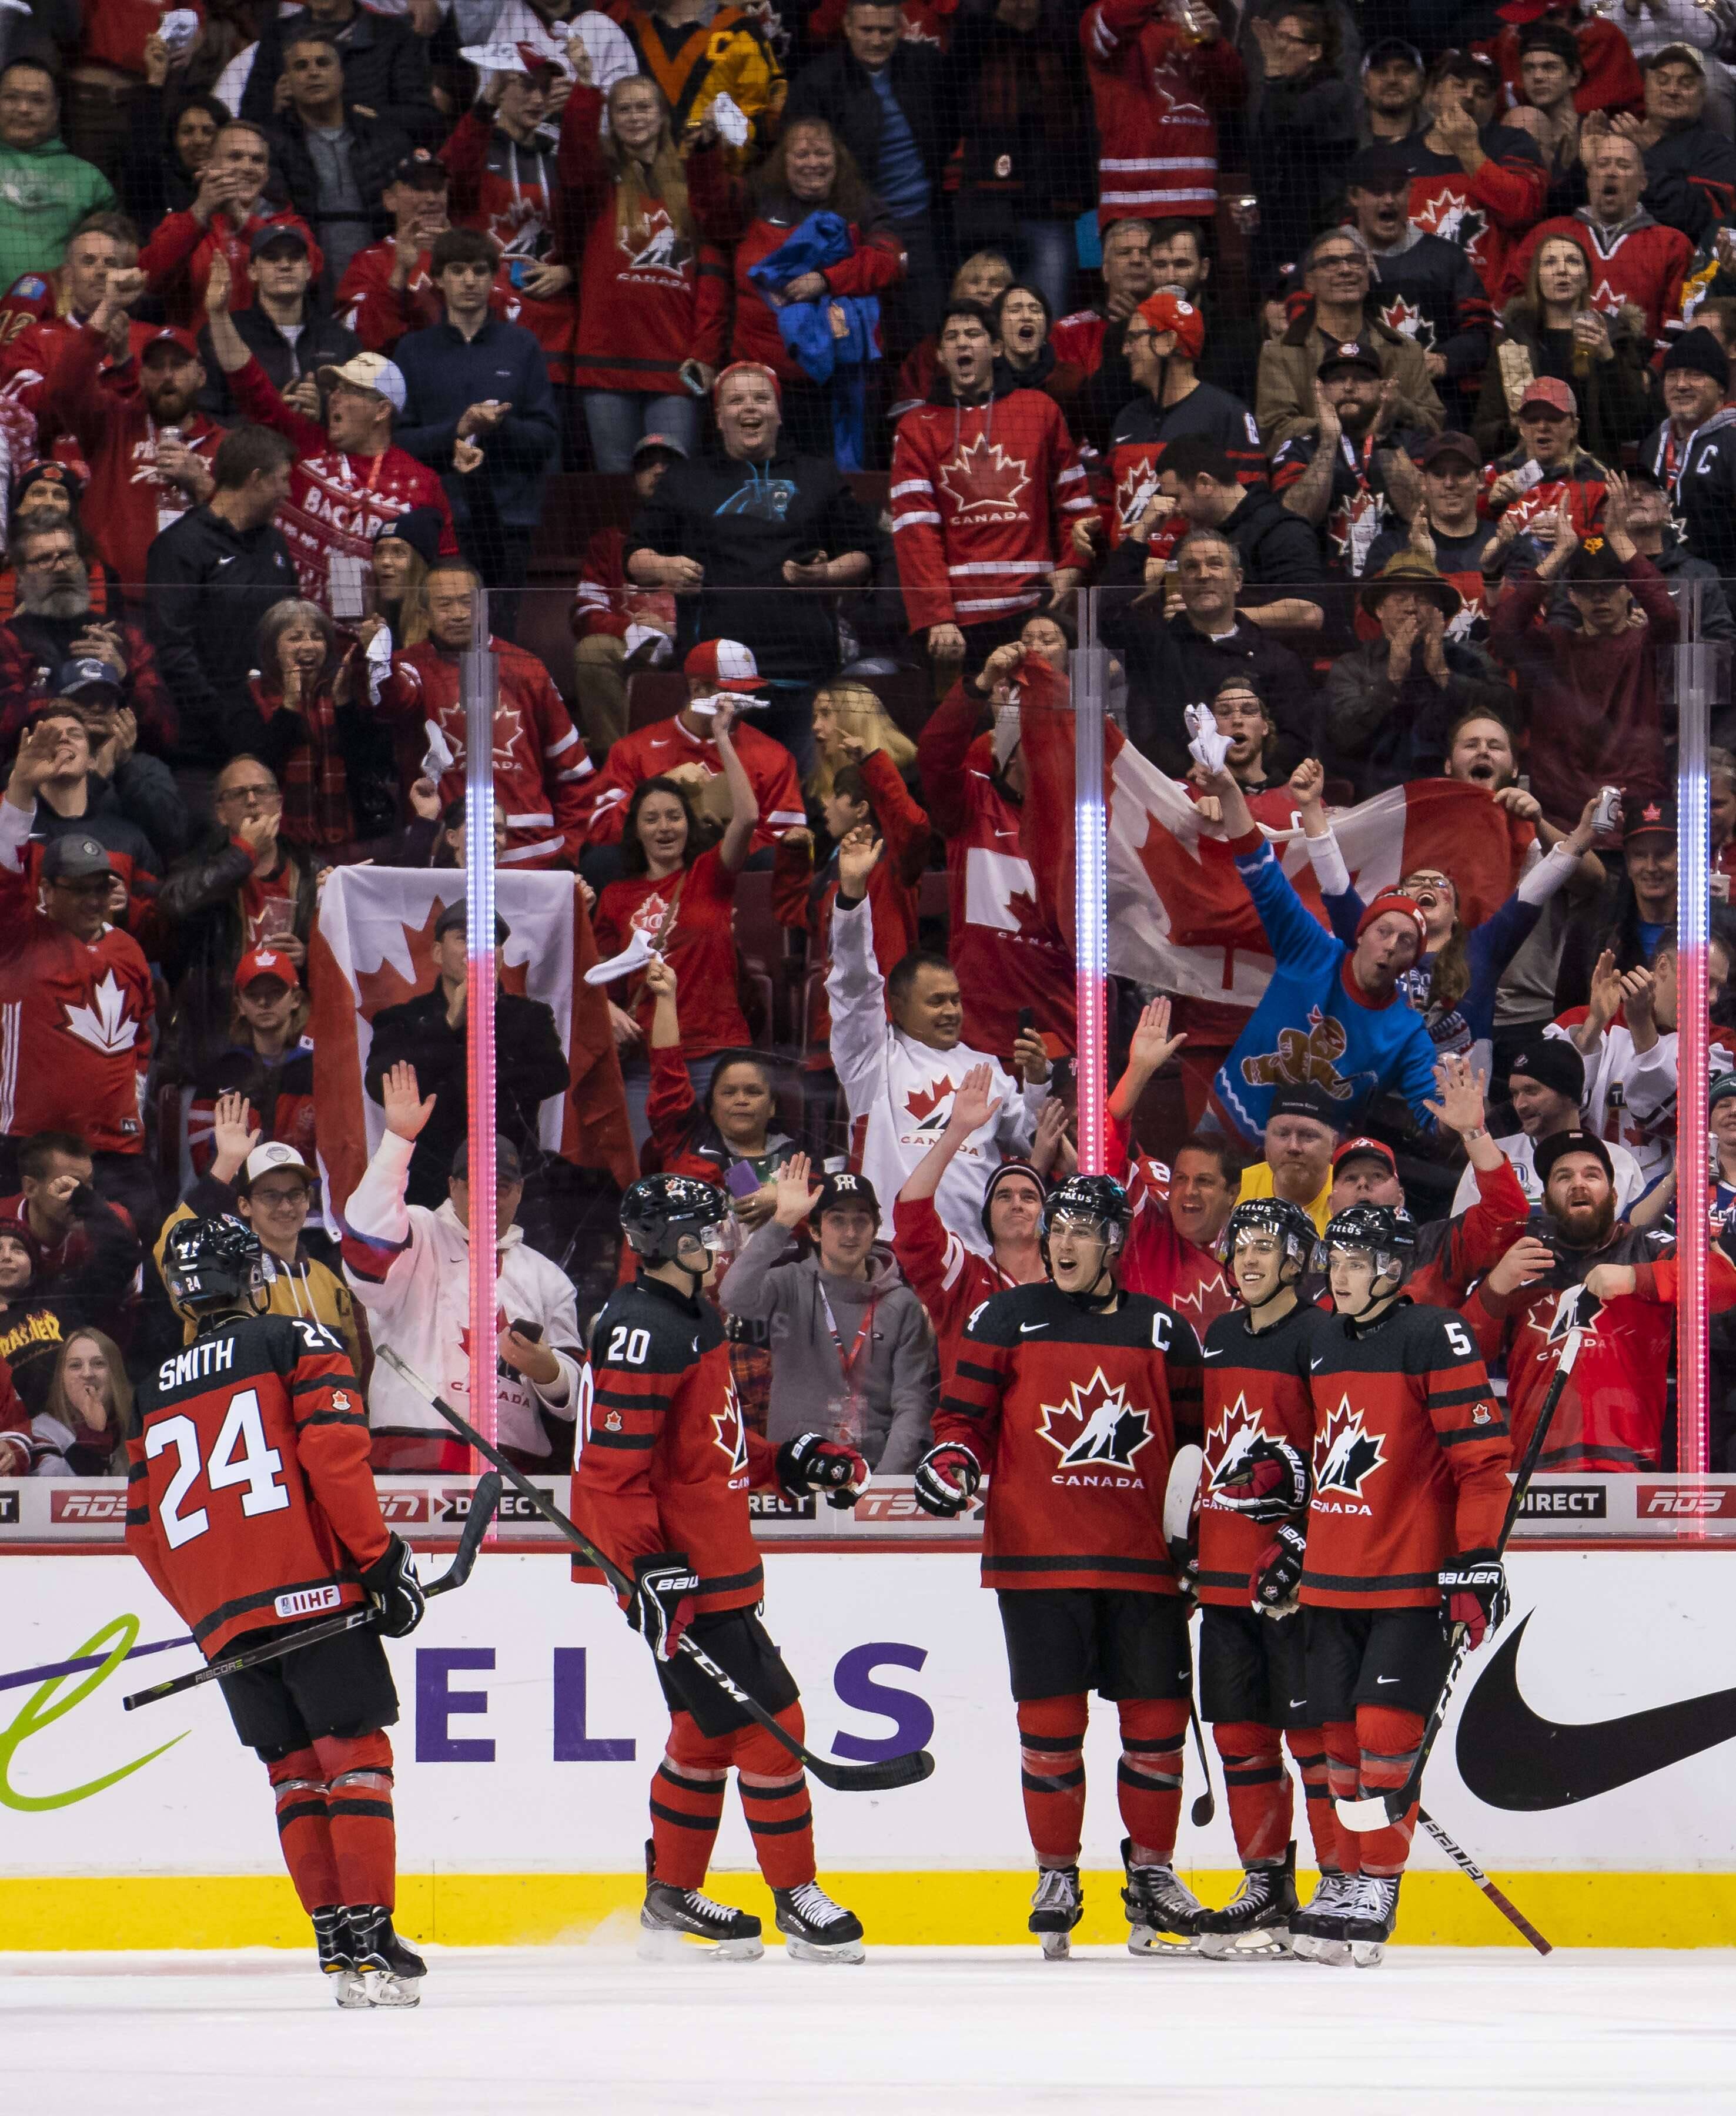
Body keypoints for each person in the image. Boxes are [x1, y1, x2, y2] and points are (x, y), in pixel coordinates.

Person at [128, 1213, 427, 2007]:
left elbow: (141, 1527)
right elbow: (333, 1455)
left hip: (225, 1616)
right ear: (248, 1276)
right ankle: (370, 1937)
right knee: (354, 1760)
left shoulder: (152, 1386)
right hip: (313, 1591)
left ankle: (335, 1943)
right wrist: (378, 1559)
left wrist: (205, 1613)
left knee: (293, 1776)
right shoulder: (294, 1339)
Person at [570, 1172, 868, 1964]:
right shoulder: (641, 1327)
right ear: (673, 1242)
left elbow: (708, 1452)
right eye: (708, 1229)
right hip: (684, 1577)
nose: (724, 1241)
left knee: (703, 1737)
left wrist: (790, 1461)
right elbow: (609, 1476)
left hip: (713, 1565)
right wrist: (647, 1575)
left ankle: (671, 1898)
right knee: (776, 1730)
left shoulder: (689, 1314)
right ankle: (796, 1899)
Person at [914, 1172, 1207, 1957]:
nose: (1063, 1242)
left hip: (1143, 1567)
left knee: (1155, 1730)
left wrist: (1197, 1539)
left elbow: (1193, 1446)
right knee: (1050, 1731)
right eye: (1057, 1228)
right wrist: (949, 1463)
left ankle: (1150, 1873)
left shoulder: (1165, 1330)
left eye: (1082, 1229)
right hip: (1036, 1559)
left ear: (1115, 1241)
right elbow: (961, 1423)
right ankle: (1056, 1873)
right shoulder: (1004, 1318)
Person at [1265, 1201, 1510, 1968]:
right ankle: (1340, 1877)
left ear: (1394, 1269)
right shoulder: (1321, 1341)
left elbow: (1483, 1462)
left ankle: (1378, 1878)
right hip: (1331, 1580)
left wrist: (1475, 1558)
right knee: (1335, 1742)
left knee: (1381, 1736)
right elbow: (1322, 1457)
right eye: (1333, 1260)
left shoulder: (1431, 1335)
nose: (1338, 1274)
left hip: (1408, 1579)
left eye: (1355, 1261)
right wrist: (1297, 1537)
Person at [1188, 1196, 1332, 1959]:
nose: (1246, 1258)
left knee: (1311, 1740)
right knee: (1242, 1737)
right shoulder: (1216, 1335)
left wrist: (1300, 1541)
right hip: (1224, 1579)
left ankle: (1336, 1885)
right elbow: (1212, 1454)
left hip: (1295, 1581)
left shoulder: (1320, 1336)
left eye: (1264, 1246)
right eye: (1239, 1245)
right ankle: (1263, 1887)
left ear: (1296, 1260)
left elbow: (1340, 1457)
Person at [342, 1060, 585, 1473]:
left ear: (520, 1192)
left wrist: (548, 1372)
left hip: (514, 1466)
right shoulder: (417, 1231)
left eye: (502, 1186)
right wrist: (398, 1142)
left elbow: (574, 1400)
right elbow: (364, 1248)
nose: (489, 1195)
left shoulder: (549, 1278)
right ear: (453, 1185)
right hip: (410, 1453)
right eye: (475, 1183)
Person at [623, 362, 876, 756]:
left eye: (761, 398)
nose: (749, 408)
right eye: (735, 400)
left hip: (804, 678)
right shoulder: (685, 480)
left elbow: (864, 555)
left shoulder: (817, 474)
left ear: (778, 412)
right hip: (715, 683)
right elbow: (635, 559)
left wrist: (823, 573)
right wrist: (666, 567)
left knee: (804, 806)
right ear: (719, 417)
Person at [1197, 764, 1441, 1149]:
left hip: (1307, 1165)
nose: (1392, 944)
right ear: (1359, 935)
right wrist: (1229, 792)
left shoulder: (1407, 1032)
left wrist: (1460, 1121)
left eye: (1406, 942)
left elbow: (1434, 1114)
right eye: (1383, 931)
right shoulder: (1311, 950)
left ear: (1410, 963)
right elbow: (1263, 876)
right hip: (1227, 1131)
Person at [827, 826, 1046, 1254]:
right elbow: (854, 986)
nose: (951, 1012)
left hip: (977, 1252)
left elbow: (1031, 1141)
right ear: (898, 1006)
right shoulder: (872, 1059)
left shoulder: (986, 1068)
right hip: (895, 1248)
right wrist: (852, 898)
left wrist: (1036, 1082)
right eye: (935, 1002)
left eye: (955, 1000)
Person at [200, 253, 459, 611]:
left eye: (349, 391)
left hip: (372, 638)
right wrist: (218, 316)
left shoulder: (422, 483)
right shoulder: (304, 444)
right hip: (291, 630)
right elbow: (252, 387)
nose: (334, 397)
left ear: (382, 410)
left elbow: (444, 570)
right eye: (334, 389)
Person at [0, 722, 156, 1233]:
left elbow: (143, 1034)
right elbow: (6, 867)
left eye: (101, 888)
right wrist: (21, 789)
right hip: (31, 1146)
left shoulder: (127, 948)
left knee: (128, 1256)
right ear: (46, 891)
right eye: (79, 890)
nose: (93, 900)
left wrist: (135, 1094)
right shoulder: (21, 935)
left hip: (116, 1149)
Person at [689, 112, 905, 461]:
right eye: (802, 155)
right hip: (758, 385)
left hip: (835, 386)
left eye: (822, 155)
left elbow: (889, 262)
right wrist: (705, 154)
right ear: (783, 161)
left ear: (839, 160)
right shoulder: (755, 199)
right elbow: (712, 208)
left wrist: (825, 280)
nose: (812, 164)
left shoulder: (862, 207)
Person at [891, 300, 1091, 669]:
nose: (962, 344)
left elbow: (1074, 500)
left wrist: (1072, 566)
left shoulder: (1039, 409)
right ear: (939, 354)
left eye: (973, 334)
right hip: (960, 625)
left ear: (997, 347)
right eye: (952, 337)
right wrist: (938, 616)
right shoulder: (918, 426)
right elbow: (915, 529)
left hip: (1035, 609)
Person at [591, 697, 760, 1137]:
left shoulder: (711, 875)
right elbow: (593, 980)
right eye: (651, 819)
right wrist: (607, 1009)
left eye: (673, 816)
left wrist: (721, 736)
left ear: (689, 823)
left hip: (717, 1058)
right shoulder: (615, 897)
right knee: (647, 1179)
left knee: (726, 1179)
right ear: (636, 830)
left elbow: (748, 817)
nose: (664, 827)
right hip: (645, 1063)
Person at [1464, 1131, 1681, 1469]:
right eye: (1563, 1177)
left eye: (1591, 1175)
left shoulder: (1645, 1246)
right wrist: (1495, 1288)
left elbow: (1720, 1281)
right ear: (1546, 1200)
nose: (1578, 1184)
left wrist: (1636, 1278)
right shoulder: (1520, 1257)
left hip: (1630, 1467)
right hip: (1534, 1472)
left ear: (1613, 1196)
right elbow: (1463, 1355)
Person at [914, 631, 1078, 1059]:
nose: (1055, 754)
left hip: (1062, 1036)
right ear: (1009, 751)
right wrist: (979, 686)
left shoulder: (1084, 820)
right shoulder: (972, 805)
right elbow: (934, 754)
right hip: (979, 1039)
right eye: (1040, 741)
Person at [370, 558, 594, 868]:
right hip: (448, 857)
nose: (459, 614)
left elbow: (574, 773)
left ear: (484, 608)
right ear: (424, 614)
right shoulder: (411, 666)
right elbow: (392, 698)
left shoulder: (527, 669)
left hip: (533, 857)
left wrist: (569, 850)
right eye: (445, 605)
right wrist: (375, 660)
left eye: (467, 602)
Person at [556, 72, 727, 470]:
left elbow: (713, 285)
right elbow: (574, 159)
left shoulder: (693, 186)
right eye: (624, 109)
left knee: (672, 486)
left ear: (663, 116)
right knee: (615, 487)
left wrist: (705, 353)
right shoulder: (599, 184)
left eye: (644, 107)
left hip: (676, 368)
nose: (635, 117)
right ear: (611, 119)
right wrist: (585, 89)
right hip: (604, 367)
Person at [720, 1157, 935, 1471]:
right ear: (817, 1233)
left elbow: (912, 1404)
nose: (850, 1232)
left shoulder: (902, 1305)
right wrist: (782, 1222)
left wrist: (884, 1483)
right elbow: (733, 1296)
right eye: (837, 1220)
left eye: (861, 1221)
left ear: (875, 1229)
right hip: (796, 1470)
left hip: (871, 1472)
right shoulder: (788, 1283)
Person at [393, 225, 558, 618]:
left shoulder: (522, 346)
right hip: (435, 519)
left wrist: (498, 426)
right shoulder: (413, 350)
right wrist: (458, 429)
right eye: (457, 270)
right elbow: (397, 443)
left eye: (480, 270)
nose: (470, 280)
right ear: (438, 279)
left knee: (498, 635)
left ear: (493, 277)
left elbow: (546, 438)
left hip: (508, 521)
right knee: (433, 633)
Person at [363, 899, 570, 1208]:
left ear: (501, 956)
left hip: (511, 1181)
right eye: (464, 939)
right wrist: (449, 1025)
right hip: (428, 1184)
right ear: (436, 952)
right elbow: (381, 1086)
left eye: (490, 941)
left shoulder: (531, 1016)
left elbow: (554, 1076)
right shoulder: (400, 1020)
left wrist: (486, 1023)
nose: (478, 950)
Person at [1489, 493, 1677, 825]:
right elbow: (1504, 629)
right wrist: (1560, 553)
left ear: (1628, 590)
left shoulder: (1645, 645)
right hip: (1564, 816)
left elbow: (1667, 614)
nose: (1600, 597)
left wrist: (1618, 537)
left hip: (1635, 813)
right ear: (1572, 596)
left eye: (1609, 586)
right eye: (1588, 589)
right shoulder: (1552, 646)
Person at [784, 0, 953, 353]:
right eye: (867, 30)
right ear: (847, 27)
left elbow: (949, 135)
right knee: (862, 338)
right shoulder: (817, 81)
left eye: (886, 31)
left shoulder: (928, 67)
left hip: (923, 224)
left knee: (927, 337)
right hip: (853, 231)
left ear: (901, 28)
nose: (877, 40)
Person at [44, 284, 226, 597]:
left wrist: (202, 484)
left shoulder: (227, 445)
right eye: (156, 366)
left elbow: (246, 530)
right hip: (116, 606)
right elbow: (63, 388)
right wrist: (108, 305)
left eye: (179, 365)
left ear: (202, 375)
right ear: (140, 377)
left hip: (198, 610)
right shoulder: (113, 424)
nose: (167, 376)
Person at [156, 1094, 362, 1367]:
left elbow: (354, 1368)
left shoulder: (330, 1282)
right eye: (271, 1196)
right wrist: (226, 1165)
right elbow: (171, 1248)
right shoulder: (226, 1272)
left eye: (295, 1194)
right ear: (244, 1205)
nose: (286, 1207)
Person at [1098, 524, 1315, 778]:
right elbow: (1108, 613)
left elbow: (1295, 739)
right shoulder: (1154, 646)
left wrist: (1244, 777)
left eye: (1215, 564)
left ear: (1237, 580)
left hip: (1255, 799)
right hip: (1176, 793)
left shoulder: (1276, 658)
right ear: (1180, 582)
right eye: (1191, 567)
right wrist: (1139, 536)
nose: (1203, 575)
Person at [143, 423, 300, 776]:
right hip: (204, 747)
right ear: (256, 479)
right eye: (282, 479)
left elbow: (293, 622)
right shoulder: (180, 547)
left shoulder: (274, 544)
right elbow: (172, 650)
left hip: (273, 728)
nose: (288, 492)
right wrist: (224, 721)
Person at [156, 755, 322, 1082]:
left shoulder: (311, 871)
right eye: (238, 794)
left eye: (261, 791)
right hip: (220, 1039)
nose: (251, 800)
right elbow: (172, 905)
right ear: (220, 813)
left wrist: (308, 956)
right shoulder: (200, 866)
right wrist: (243, 853)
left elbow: (341, 964)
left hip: (293, 1038)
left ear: (279, 803)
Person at [580, 638, 805, 858]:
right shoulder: (632, 750)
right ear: (697, 688)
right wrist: (662, 789)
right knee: (602, 860)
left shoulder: (775, 757)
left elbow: (786, 840)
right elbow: (601, 828)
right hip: (654, 873)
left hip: (731, 875)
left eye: (746, 692)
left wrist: (730, 836)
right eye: (732, 692)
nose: (741, 703)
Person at [439, 46, 579, 402]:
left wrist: (570, 271)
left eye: (545, 89)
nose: (537, 98)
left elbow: (593, 225)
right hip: (487, 317)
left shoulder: (561, 154)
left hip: (555, 324)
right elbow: (450, 176)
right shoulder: (476, 142)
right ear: (501, 87)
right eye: (527, 86)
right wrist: (485, 104)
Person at [893, 1060, 1049, 1375]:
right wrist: (957, 1131)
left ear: (1046, 1218)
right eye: (1004, 1196)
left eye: (1029, 1197)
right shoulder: (964, 1277)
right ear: (987, 1217)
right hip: (974, 1424)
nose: (1017, 1203)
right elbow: (912, 1217)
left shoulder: (1070, 1284)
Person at [1320, 554, 1514, 798]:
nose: (1411, 607)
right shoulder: (1353, 666)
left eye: (1422, 599)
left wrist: (1442, 673)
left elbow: (1508, 712)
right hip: (1380, 798)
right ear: (1380, 610)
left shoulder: (1471, 655)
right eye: (1400, 599)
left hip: (1463, 794)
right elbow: (1343, 736)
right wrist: (1391, 680)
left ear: (1438, 611)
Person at [946, 0, 1086, 323]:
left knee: (1044, 320)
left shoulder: (1066, 31)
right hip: (986, 203)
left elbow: (1082, 109)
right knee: (982, 321)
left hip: (1052, 199)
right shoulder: (972, 31)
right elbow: (949, 104)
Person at [1091, 290, 1262, 551]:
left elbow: (1250, 512)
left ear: (1167, 341)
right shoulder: (1127, 418)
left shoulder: (1227, 414)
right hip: (1126, 576)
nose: (1126, 350)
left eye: (1134, 338)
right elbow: (1108, 503)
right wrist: (1091, 526)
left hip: (1192, 578)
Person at [1473, 233, 1657, 468]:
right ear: (1536, 278)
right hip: (1530, 480)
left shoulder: (1614, 337)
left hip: (1595, 479)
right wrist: (1518, 427)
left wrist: (1608, 359)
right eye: (1550, 263)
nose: (1562, 271)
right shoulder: (1513, 341)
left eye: (1573, 261)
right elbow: (1483, 433)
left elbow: (1635, 425)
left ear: (1586, 278)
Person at [1255, 230, 1444, 453]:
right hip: (1314, 476)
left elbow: (1434, 426)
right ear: (1310, 282)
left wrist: (1399, 407)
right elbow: (1274, 431)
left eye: (1355, 261)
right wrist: (1346, 426)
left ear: (1367, 276)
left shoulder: (1406, 350)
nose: (1345, 270)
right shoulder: (1280, 353)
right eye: (1330, 263)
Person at [261, 26, 414, 300]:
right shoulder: (271, 145)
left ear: (341, 75)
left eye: (323, 63)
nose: (313, 72)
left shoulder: (386, 138)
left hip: (381, 276)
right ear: (288, 82)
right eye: (301, 66)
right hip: (305, 282)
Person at [1270, 341, 1436, 586]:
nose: (1348, 387)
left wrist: (1383, 436)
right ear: (1321, 390)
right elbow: (1296, 520)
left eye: (1362, 378)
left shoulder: (1413, 441)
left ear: (1383, 388)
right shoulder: (1299, 447)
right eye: (1337, 379)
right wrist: (1328, 441)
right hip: (1323, 586)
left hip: (1398, 584)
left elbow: (1420, 512)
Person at [1343, 143, 1494, 410]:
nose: (1389, 200)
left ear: (1411, 191)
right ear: (1354, 196)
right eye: (1377, 190)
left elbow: (1480, 331)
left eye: (1397, 188)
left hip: (1439, 404)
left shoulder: (1446, 256)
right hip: (1355, 405)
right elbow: (1300, 323)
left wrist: (1446, 359)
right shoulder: (1331, 256)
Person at [1499, 133, 1690, 341]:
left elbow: (1676, 334)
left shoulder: (1672, 244)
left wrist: (1648, 374)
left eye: (1624, 165)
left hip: (1633, 368)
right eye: (1602, 164)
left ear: (1643, 182)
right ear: (1589, 179)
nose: (1611, 172)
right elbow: (1509, 311)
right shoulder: (1547, 235)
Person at [1389, 52, 1546, 303]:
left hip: (1490, 309)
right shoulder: (1396, 156)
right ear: (1436, 91)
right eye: (1459, 85)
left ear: (1494, 105)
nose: (1469, 95)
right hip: (1412, 302)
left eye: (1481, 92)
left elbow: (1522, 211)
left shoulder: (1513, 143)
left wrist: (1468, 150)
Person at [1079, 0, 1245, 234]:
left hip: (1196, 201)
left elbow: (1234, 97)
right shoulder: (1104, 15)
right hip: (1129, 205)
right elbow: (1110, 26)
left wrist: (1214, 45)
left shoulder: (1196, 27)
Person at [139, 119, 323, 327]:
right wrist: (200, 211)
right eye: (235, 157)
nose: (247, 167)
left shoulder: (291, 225)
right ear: (210, 165)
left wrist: (240, 216)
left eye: (257, 160)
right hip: (198, 355)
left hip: (268, 356)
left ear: (267, 173)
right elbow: (150, 279)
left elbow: (312, 271)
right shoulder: (180, 225)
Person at [567, 431, 685, 755]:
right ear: (634, 481)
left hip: (691, 644)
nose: (659, 471)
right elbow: (584, 613)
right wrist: (634, 630)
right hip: (632, 647)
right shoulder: (608, 543)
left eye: (670, 465)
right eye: (648, 465)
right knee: (592, 651)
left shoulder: (710, 537)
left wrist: (675, 631)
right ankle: (623, 764)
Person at [1449, 1034, 1645, 1216]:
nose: (1520, 1105)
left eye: (1531, 1091)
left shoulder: (1620, 1161)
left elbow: (1638, 1239)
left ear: (1569, 1094)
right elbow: (1460, 1240)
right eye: (1515, 1094)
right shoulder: (1491, 1155)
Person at [196, 225, 361, 421]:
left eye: (295, 258)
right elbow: (209, 416)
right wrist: (274, 417)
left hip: (323, 447)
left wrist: (324, 414)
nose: (285, 265)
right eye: (272, 258)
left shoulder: (341, 339)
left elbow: (359, 416)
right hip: (252, 449)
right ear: (252, 272)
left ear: (308, 270)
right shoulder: (224, 333)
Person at [0, 1183, 141, 1412]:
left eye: (17, 1249)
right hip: (18, 1438)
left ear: (33, 1262)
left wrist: (85, 1200)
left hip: (86, 1425)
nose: (6, 1256)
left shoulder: (63, 1295)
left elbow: (120, 1255)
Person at [1244, 5, 1359, 284]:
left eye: (1287, 39)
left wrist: (1272, 72)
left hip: (1320, 232)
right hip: (1276, 233)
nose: (1277, 46)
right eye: (1275, 37)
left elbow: (1292, 124)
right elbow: (1263, 155)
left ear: (1314, 52)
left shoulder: (1334, 92)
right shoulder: (1275, 93)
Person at [238, 0, 437, 148]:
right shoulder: (277, 35)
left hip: (375, 166)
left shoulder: (396, 36)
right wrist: (272, 106)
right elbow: (248, 120)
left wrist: (352, 112)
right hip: (295, 170)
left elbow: (423, 121)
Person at [1361, 432, 1501, 639]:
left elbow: (1520, 624)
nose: (1449, 483)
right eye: (1438, 474)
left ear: (1481, 480)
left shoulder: (1504, 544)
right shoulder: (1390, 548)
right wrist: (1422, 564)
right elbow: (1367, 628)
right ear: (1423, 482)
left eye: (1461, 473)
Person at [0, 61, 115, 286]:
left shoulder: (90, 180)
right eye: (11, 97)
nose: (23, 108)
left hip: (57, 316)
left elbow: (111, 261)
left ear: (56, 110)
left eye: (37, 100)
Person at [1636, 326, 1736, 576]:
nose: (1681, 385)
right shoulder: (1652, 444)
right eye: (1672, 376)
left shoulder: (1733, 440)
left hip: (1726, 593)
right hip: (1660, 587)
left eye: (1694, 375)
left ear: (1721, 387)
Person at [1620, 42, 1736, 246]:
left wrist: (1643, 158)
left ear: (1702, 96)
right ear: (1646, 88)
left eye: (1686, 83)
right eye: (1663, 81)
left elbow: (1699, 218)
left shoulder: (1718, 150)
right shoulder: (1619, 137)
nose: (1672, 91)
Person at [28, 1324, 128, 1475]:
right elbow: (52, 1490)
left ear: (115, 1373)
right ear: (62, 1378)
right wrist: (94, 1436)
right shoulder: (41, 1432)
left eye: (99, 1363)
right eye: (75, 1366)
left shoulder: (138, 1424)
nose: (87, 1374)